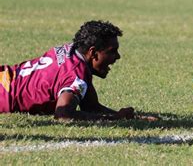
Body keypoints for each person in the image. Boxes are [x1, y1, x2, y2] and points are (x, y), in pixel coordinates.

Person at [0, 20, 135, 120]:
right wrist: (114, 119)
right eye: (112, 51)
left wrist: (120, 115)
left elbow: (90, 106)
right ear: (93, 52)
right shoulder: (76, 76)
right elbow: (63, 114)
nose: (117, 56)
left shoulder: (71, 50)